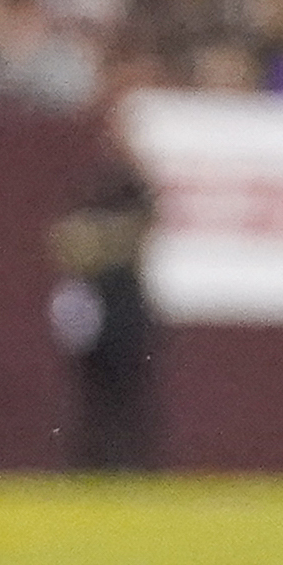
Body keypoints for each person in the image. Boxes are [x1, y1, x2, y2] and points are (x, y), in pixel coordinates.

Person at [49, 162, 160, 472]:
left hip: (120, 301)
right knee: (99, 399)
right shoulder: (103, 193)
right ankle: (101, 463)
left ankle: (123, 464)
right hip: (100, 303)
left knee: (126, 398)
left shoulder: (128, 191)